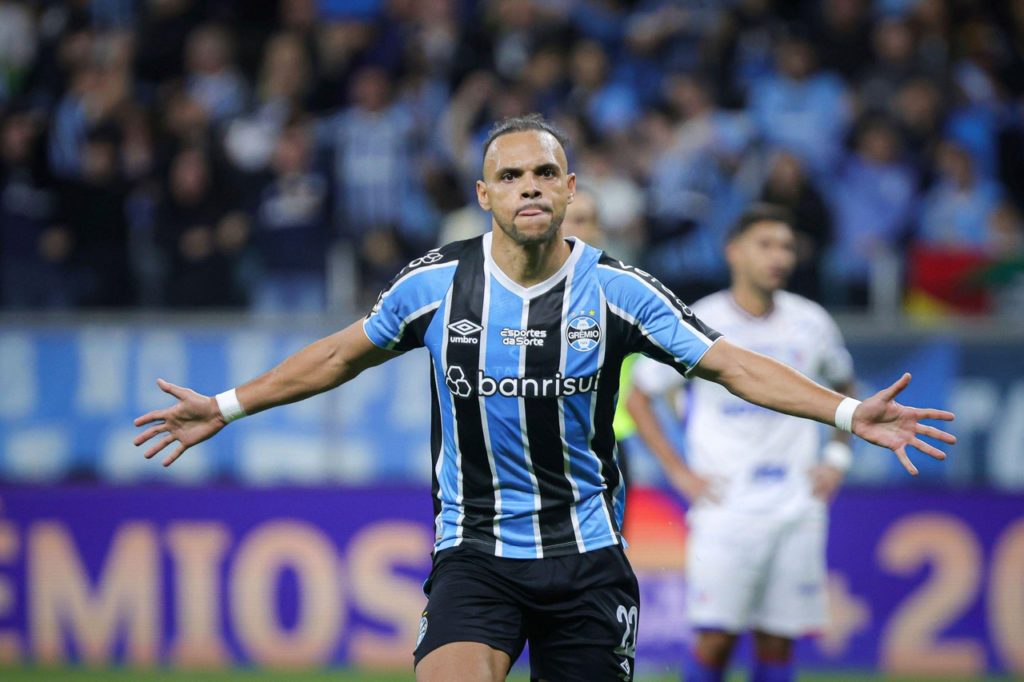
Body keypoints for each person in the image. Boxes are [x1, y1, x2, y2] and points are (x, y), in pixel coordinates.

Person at [133, 115, 955, 682]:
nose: (530, 187)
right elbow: (340, 355)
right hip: (475, 555)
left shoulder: (622, 292)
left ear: (570, 190)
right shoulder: (435, 285)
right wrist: (229, 405)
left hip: (588, 560)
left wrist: (845, 415)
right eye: (510, 175)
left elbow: (732, 364)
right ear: (484, 195)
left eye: (545, 173)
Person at [626, 204, 856, 682]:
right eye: (766, 245)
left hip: (796, 505)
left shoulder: (811, 322)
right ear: (734, 252)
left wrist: (836, 457)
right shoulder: (700, 321)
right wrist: (679, 472)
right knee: (715, 640)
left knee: (777, 642)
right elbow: (640, 397)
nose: (779, 257)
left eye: (787, 247)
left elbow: (845, 385)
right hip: (725, 506)